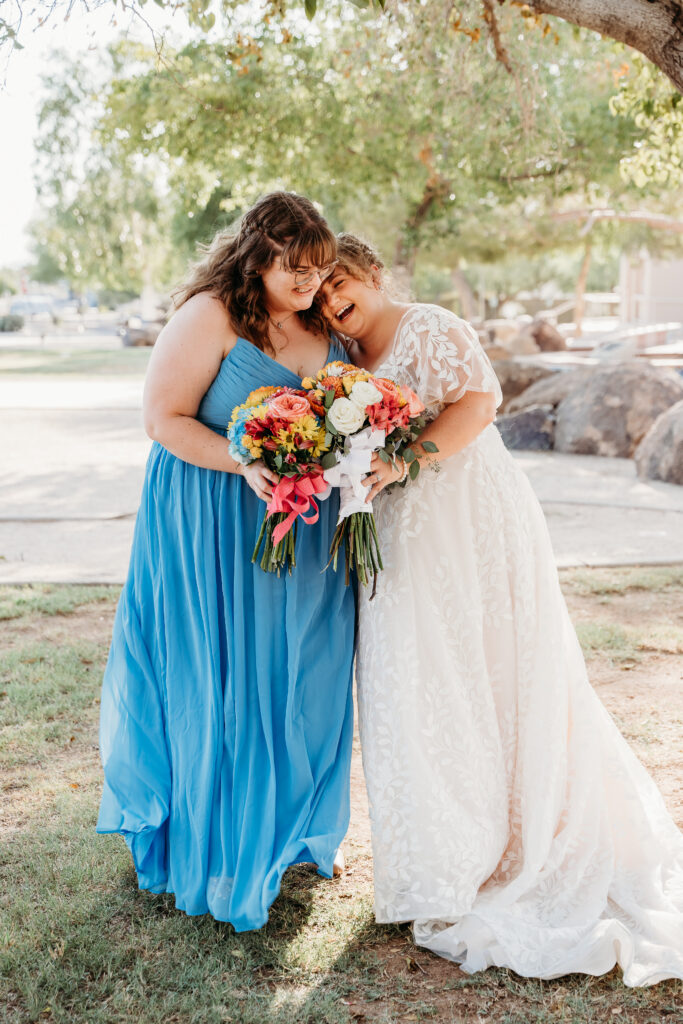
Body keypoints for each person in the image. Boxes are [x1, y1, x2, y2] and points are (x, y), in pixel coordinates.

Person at [319, 233, 683, 986]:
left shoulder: (430, 327)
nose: (332, 300)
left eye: (340, 282)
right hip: (397, 528)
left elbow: (480, 402)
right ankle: (442, 853)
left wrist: (403, 459)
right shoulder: (341, 358)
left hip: (467, 519)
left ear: (373, 275)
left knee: (492, 668)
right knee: (415, 677)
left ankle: (514, 842)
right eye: (318, 292)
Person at [97, 193, 355, 932]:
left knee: (299, 671)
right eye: (295, 269)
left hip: (306, 528)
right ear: (258, 255)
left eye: (319, 269)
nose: (310, 283)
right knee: (221, 672)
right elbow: (162, 419)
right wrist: (243, 462)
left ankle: (285, 830)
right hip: (211, 514)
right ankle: (214, 839)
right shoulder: (210, 315)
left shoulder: (319, 322)